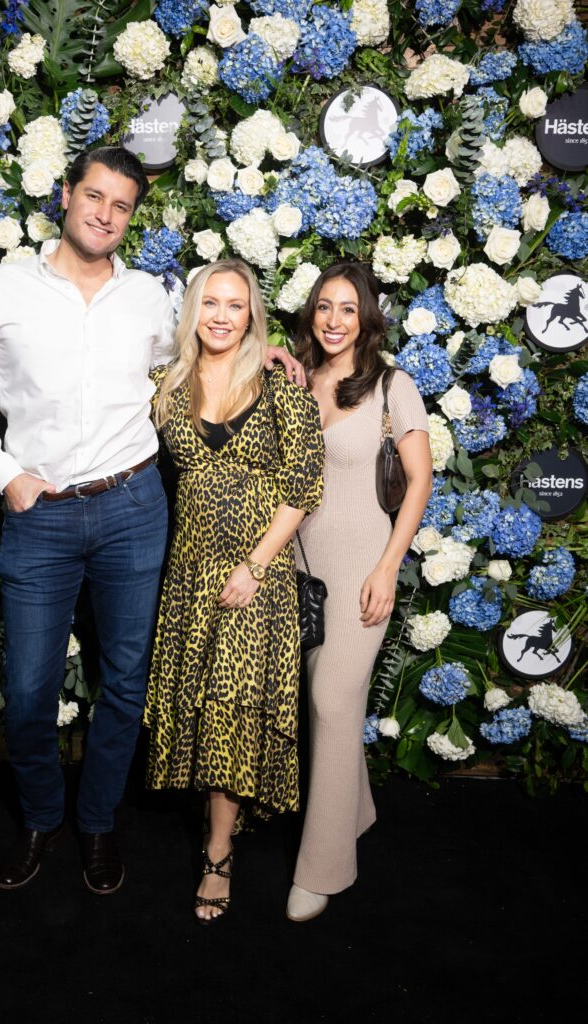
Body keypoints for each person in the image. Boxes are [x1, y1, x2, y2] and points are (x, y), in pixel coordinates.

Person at [0, 148, 302, 896]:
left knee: (125, 682)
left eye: (121, 205)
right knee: (31, 691)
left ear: (132, 216)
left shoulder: (148, 298)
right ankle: (42, 816)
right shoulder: (3, 288)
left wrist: (272, 354)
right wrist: (7, 475)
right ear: (66, 195)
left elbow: (205, 359)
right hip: (42, 515)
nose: (104, 213)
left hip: (135, 508)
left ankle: (98, 822)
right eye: (94, 196)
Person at [143, 258, 324, 924]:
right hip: (190, 569)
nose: (222, 315)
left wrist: (253, 566)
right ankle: (221, 821)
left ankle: (218, 855)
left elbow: (303, 489)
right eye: (211, 303)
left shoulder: (281, 390)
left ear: (253, 315)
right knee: (202, 702)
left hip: (257, 575)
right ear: (194, 310)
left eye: (236, 305)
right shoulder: (167, 384)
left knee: (229, 703)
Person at [285, 262, 432, 923]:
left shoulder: (393, 386)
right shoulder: (298, 377)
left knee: (330, 698)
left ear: (367, 316)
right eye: (324, 307)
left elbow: (420, 482)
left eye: (348, 308)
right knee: (319, 701)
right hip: (297, 563)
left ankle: (323, 869)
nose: (335, 319)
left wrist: (386, 567)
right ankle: (359, 809)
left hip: (360, 566)